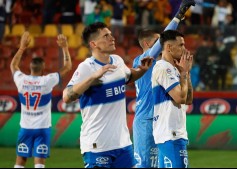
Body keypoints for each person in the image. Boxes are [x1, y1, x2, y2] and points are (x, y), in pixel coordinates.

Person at [62, 22, 153, 168]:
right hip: (97, 145)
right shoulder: (87, 67)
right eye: (106, 36)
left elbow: (129, 76)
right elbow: (66, 96)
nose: (112, 38)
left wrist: (142, 70)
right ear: (94, 44)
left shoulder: (117, 60)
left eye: (111, 34)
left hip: (123, 144)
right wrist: (92, 78)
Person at [132, 0, 195, 168]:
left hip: (159, 120)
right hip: (145, 118)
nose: (160, 46)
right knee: (145, 165)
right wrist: (178, 16)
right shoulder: (142, 61)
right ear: (146, 45)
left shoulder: (164, 65)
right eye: (157, 43)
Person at [10, 32, 72, 168]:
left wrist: (21, 48)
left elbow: (13, 66)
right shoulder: (47, 81)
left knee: (20, 161)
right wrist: (65, 47)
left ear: (30, 68)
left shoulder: (21, 80)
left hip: (25, 127)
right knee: (39, 164)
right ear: (43, 68)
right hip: (42, 128)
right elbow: (67, 67)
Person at [151, 30, 194, 168]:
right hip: (171, 133)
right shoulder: (164, 68)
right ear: (169, 47)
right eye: (181, 45)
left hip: (170, 133)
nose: (184, 49)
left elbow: (188, 100)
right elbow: (180, 98)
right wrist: (184, 74)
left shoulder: (174, 69)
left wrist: (185, 73)